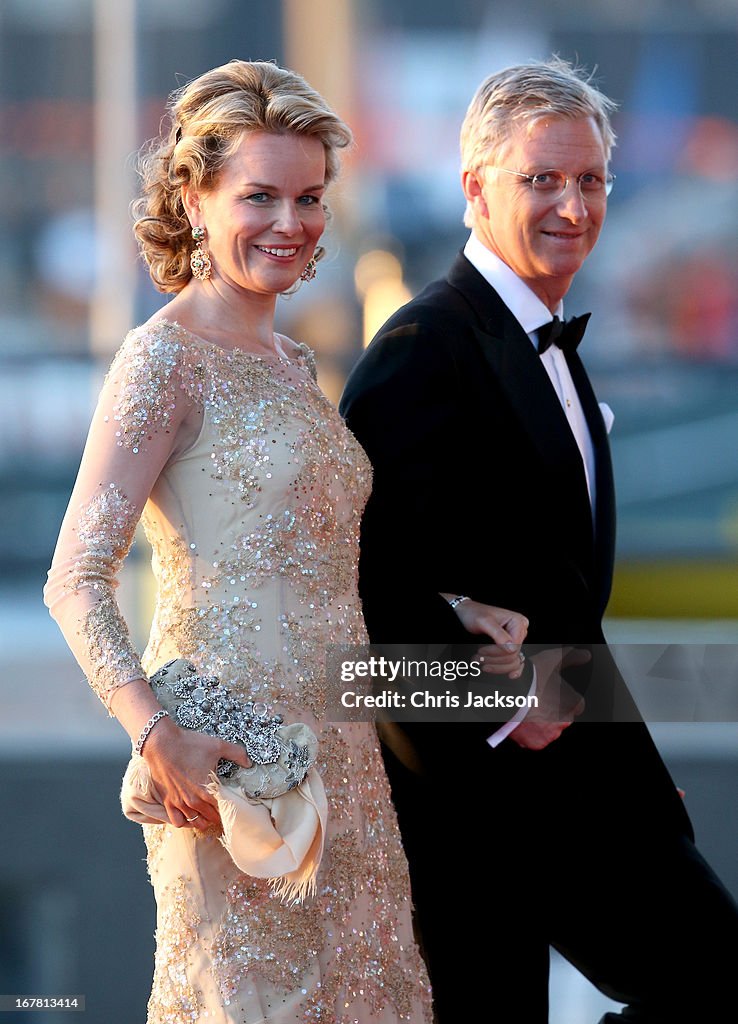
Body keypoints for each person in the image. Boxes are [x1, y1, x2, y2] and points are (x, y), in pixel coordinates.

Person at [340, 57, 738, 1023]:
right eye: (541, 180)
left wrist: (639, 788)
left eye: (591, 179)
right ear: (474, 186)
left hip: (585, 788)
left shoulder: (540, 338)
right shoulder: (420, 350)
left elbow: (569, 616)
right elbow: (357, 601)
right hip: (476, 808)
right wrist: (504, 713)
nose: (573, 205)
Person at [44, 59, 432, 1024]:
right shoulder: (162, 357)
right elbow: (75, 578)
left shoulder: (296, 362)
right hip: (228, 768)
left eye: (308, 197)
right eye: (259, 195)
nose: (290, 224)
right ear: (194, 196)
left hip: (343, 755)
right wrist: (154, 733)